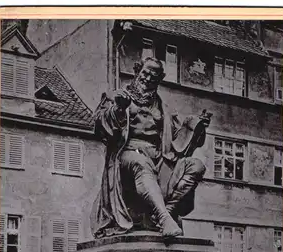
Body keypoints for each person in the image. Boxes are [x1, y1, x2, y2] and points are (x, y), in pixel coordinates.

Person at [90, 57, 211, 239]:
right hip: (127, 156)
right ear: (137, 72)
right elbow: (99, 125)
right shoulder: (117, 96)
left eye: (153, 77)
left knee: (196, 165)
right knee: (140, 161)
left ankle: (165, 213)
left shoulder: (164, 108)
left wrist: (197, 127)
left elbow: (179, 142)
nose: (147, 79)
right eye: (145, 73)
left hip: (160, 158)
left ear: (158, 80)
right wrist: (118, 110)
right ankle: (164, 218)